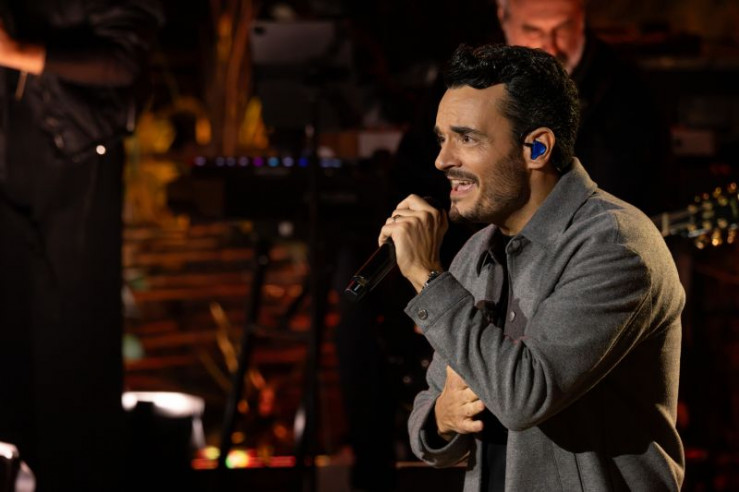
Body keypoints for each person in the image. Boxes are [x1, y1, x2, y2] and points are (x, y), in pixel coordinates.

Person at [380, 44, 685, 491]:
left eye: (467, 138)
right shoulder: (477, 252)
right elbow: (432, 401)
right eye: (442, 139)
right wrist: (440, 418)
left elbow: (525, 396)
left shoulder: (614, 246)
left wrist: (426, 277)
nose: (442, 160)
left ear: (537, 147)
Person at [0, 1, 161, 491]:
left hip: (75, 167)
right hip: (10, 179)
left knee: (73, 348)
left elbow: (124, 60)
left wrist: (17, 52)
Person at [496, 0, 672, 215]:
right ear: (502, 17)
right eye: (532, 30)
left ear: (582, 17)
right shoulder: (471, 84)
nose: (550, 48)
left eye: (563, 28)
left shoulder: (632, 93)